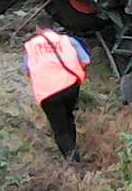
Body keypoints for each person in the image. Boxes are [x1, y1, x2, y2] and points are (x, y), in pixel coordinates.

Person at [22, 23, 91, 162]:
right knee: (68, 117)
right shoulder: (68, 40)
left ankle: (73, 162)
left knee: (59, 128)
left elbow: (27, 70)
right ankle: (73, 149)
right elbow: (86, 60)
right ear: (53, 28)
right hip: (71, 86)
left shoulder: (30, 46)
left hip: (48, 92)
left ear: (38, 29)